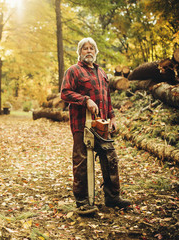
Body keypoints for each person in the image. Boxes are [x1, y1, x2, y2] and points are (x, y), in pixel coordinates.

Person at [60, 37, 131, 215]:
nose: (89, 51)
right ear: (80, 52)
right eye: (85, 48)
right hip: (81, 124)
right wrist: (86, 100)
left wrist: (112, 117)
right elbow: (65, 93)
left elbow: (107, 98)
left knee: (110, 158)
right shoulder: (73, 71)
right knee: (81, 161)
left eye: (92, 48)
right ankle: (83, 202)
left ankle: (112, 197)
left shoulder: (101, 73)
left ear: (96, 51)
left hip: (102, 125)